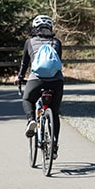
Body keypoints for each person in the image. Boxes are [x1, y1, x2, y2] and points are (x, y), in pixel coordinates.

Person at [14, 15, 64, 160]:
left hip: (37, 80)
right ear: (50, 28)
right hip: (56, 81)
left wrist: (20, 77)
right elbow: (58, 61)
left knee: (27, 99)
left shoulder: (30, 42)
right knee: (54, 113)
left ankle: (31, 120)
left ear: (35, 28)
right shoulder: (57, 42)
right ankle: (54, 147)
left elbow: (24, 63)